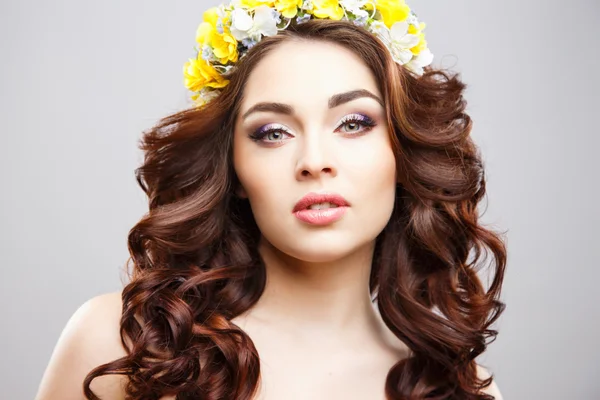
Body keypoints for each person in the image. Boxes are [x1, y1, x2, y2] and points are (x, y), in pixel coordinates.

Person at [36, 0, 506, 399]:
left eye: (354, 123)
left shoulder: (456, 386)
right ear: (235, 169)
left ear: (402, 151)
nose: (314, 160)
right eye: (272, 133)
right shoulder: (124, 344)